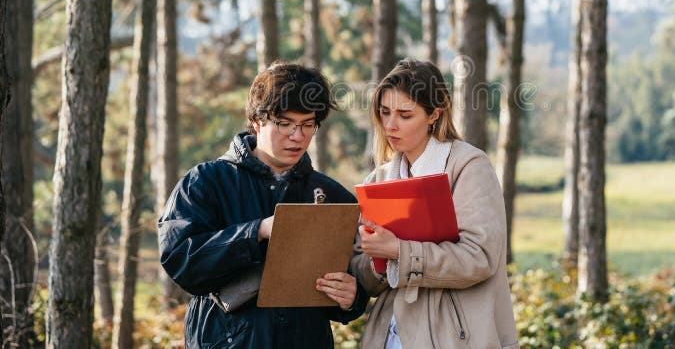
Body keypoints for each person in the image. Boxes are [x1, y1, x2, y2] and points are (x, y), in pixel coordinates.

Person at [158, 62, 368, 348]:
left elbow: (355, 278)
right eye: (285, 124)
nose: (298, 136)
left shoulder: (330, 193)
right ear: (257, 121)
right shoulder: (205, 182)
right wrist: (255, 231)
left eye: (308, 125)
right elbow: (181, 261)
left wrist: (351, 297)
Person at [351, 59, 519, 349]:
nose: (391, 125)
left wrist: (399, 251)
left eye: (405, 115)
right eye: (385, 112)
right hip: (390, 336)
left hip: (455, 337)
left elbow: (480, 258)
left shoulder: (468, 166)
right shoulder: (377, 180)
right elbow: (365, 277)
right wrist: (377, 260)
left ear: (434, 114)